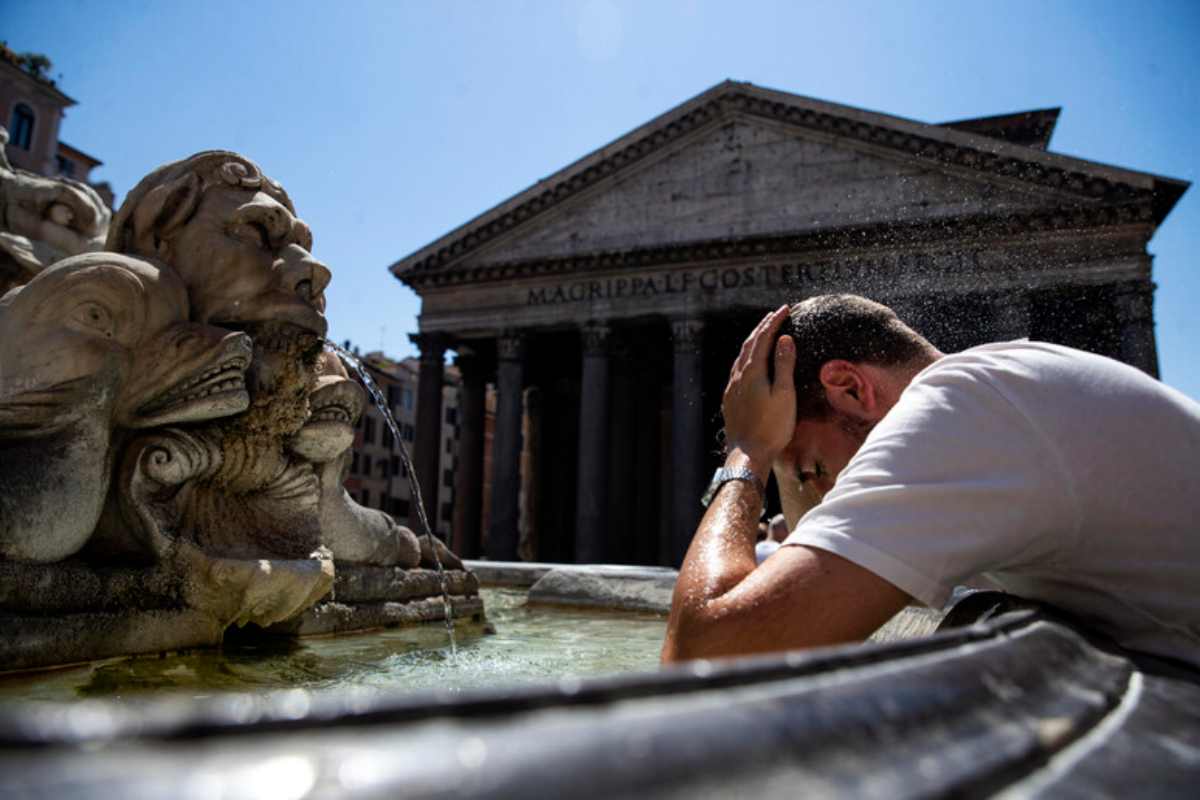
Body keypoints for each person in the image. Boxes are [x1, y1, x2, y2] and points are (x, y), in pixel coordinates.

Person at [661, 295, 1200, 668]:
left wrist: (749, 451)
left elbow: (704, 657)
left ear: (849, 388)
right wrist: (788, 459)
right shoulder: (1005, 391)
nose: (823, 490)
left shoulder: (961, 410)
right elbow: (810, 566)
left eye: (814, 470)